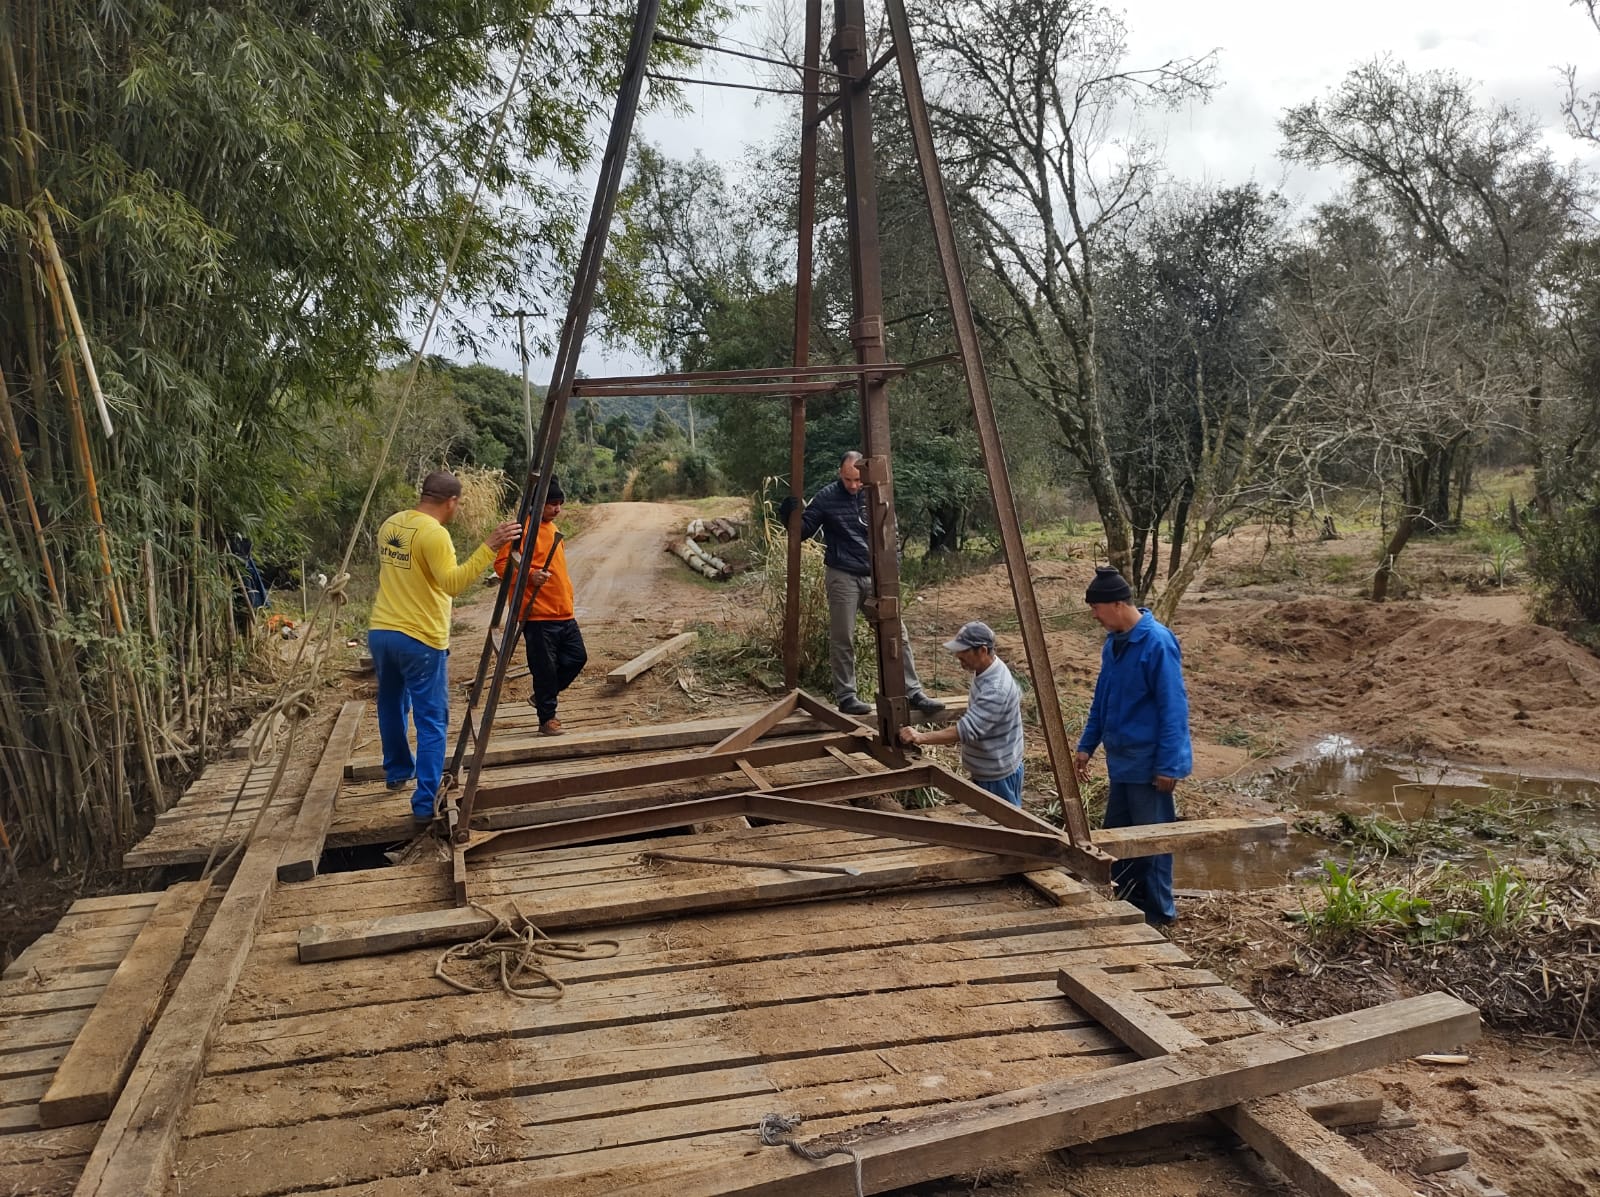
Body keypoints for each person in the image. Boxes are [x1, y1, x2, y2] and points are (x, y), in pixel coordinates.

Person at [370, 470, 521, 825]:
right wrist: (490, 546)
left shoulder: (391, 524)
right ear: (451, 501)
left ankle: (396, 771)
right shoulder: (435, 535)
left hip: (381, 631)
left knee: (391, 703)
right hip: (419, 638)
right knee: (432, 719)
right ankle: (424, 804)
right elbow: (453, 584)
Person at [777, 451, 945, 718]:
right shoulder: (827, 497)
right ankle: (847, 696)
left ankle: (913, 692)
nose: (853, 486)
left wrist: (893, 567)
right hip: (842, 574)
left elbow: (892, 532)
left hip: (876, 574)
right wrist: (789, 517)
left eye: (857, 480)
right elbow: (803, 532)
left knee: (896, 634)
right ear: (839, 474)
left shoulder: (876, 495)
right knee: (843, 636)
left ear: (865, 476)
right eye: (847, 480)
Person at [1073, 565, 1193, 926]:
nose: (1094, 616)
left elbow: (1174, 707)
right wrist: (1086, 746)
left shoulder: (1157, 642)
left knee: (1152, 842)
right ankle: (1126, 903)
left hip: (1148, 765)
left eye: (1096, 608)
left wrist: (1169, 766)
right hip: (1121, 763)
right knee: (1119, 841)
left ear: (1116, 604)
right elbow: (1102, 700)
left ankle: (1159, 916)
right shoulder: (1114, 645)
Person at [495, 477, 586, 736]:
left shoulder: (553, 529)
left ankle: (543, 695)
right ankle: (547, 718)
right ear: (537, 504)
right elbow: (502, 564)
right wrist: (529, 575)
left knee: (577, 658)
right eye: (551, 503)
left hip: (563, 612)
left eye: (559, 503)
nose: (557, 508)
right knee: (544, 668)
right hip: (536, 614)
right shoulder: (521, 530)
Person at [898, 621, 1024, 804]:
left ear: (982, 650)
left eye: (963, 651)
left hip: (997, 776)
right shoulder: (985, 669)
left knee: (1005, 828)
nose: (958, 656)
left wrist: (920, 737)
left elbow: (965, 731)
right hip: (992, 766)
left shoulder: (996, 689)